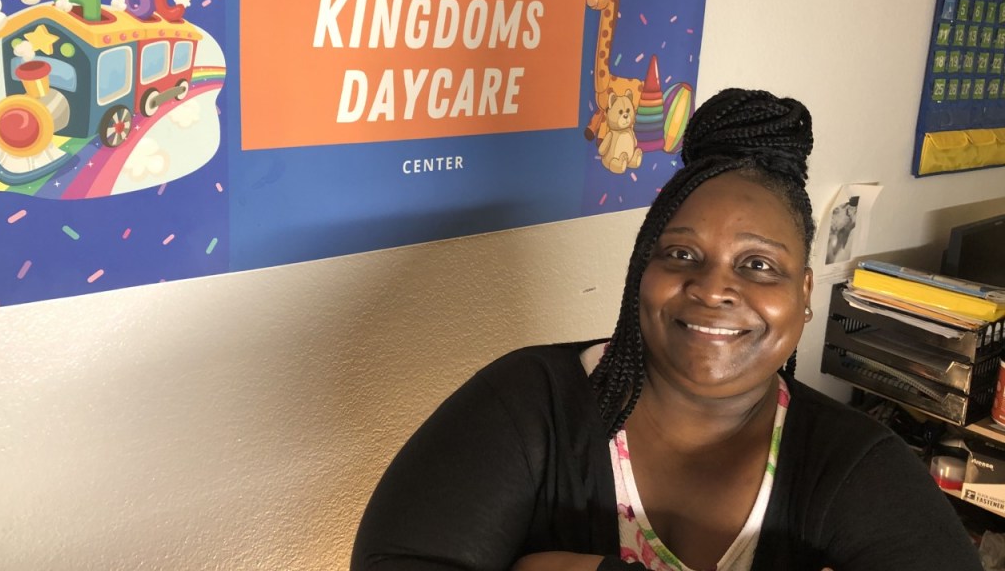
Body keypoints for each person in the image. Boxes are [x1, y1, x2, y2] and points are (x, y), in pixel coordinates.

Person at [351, 88, 981, 571]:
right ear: (639, 272)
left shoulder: (853, 463)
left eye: (758, 265)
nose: (712, 288)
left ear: (805, 295)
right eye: (680, 254)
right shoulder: (528, 406)